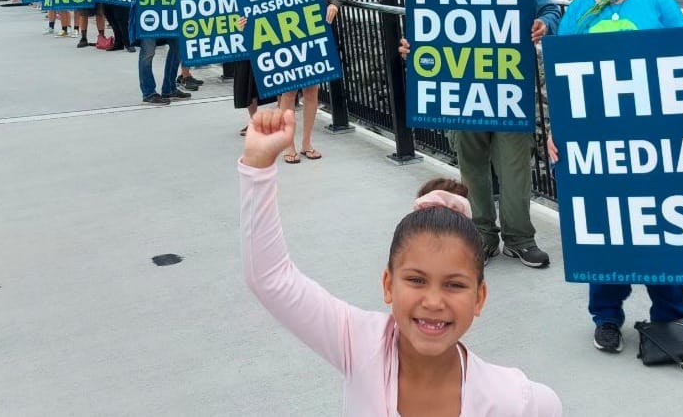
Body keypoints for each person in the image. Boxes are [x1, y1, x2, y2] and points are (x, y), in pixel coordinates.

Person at [239, 108, 562, 415]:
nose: (433, 301)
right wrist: (257, 167)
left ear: (479, 297)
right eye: (417, 280)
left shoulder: (513, 399)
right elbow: (271, 278)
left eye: (454, 285)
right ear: (388, 284)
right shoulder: (360, 344)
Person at [547, 0, 683, 355]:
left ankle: (670, 315)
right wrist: (558, 127)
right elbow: (563, 77)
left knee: (662, 223)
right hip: (598, 139)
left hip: (654, 137)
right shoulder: (578, 12)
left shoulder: (658, 2)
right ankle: (606, 317)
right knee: (605, 222)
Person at [397, 0, 561, 270]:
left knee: (515, 166)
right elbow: (428, 23)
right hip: (462, 87)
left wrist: (544, 24)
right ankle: (482, 236)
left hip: (508, 87)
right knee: (471, 166)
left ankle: (519, 239)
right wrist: (414, 46)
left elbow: (550, 10)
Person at [275, 0, 352, 163]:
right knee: (288, 93)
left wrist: (334, 4)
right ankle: (288, 145)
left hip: (316, 38)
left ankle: (306, 143)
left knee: (312, 91)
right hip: (288, 39)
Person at [230, 0, 287, 132]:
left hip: (270, 28)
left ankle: (279, 119)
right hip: (243, 29)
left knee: (277, 74)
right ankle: (254, 122)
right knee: (246, 77)